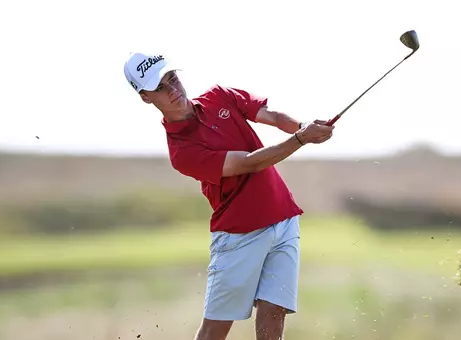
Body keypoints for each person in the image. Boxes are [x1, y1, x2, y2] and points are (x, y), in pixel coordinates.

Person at [123, 52, 335, 340]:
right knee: (216, 330)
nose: (173, 90)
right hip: (239, 235)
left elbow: (271, 116)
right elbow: (250, 162)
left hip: (283, 219)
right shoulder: (182, 151)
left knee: (275, 313)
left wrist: (301, 127)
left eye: (173, 78)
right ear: (146, 97)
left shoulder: (218, 96)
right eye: (160, 87)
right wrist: (301, 139)